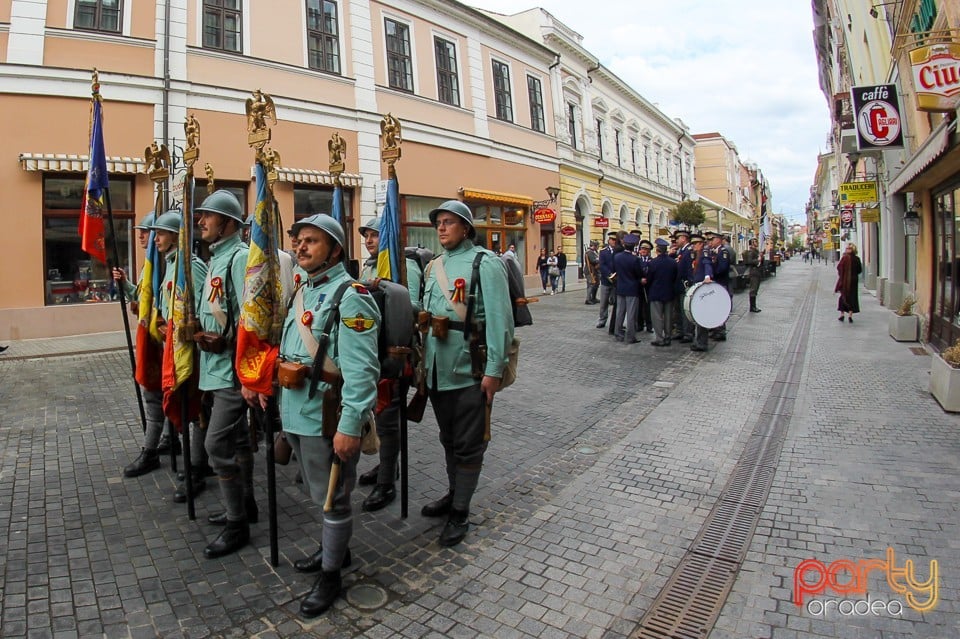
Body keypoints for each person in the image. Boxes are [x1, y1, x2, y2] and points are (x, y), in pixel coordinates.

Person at [243, 213, 379, 617]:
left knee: (333, 500)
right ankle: (334, 550)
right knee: (320, 495)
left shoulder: (350, 296)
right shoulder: (303, 286)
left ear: (334, 250)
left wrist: (350, 427)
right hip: (297, 410)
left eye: (312, 241)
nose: (300, 247)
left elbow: (362, 372)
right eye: (298, 240)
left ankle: (332, 575)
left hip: (328, 416)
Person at [420, 200, 513, 547]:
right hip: (436, 371)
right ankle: (453, 493)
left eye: (449, 222)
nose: (441, 228)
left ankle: (460, 511)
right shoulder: (434, 267)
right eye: (438, 223)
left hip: (469, 370)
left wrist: (494, 372)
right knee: (448, 439)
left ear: (466, 228)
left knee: (469, 445)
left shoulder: (485, 263)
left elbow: (501, 322)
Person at [193, 189, 255, 559]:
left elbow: (250, 318)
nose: (202, 221)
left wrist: (223, 341)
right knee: (238, 441)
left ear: (229, 224)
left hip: (233, 368)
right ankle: (246, 505)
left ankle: (237, 525)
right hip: (215, 367)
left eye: (209, 216)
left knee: (215, 444)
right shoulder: (216, 257)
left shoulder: (239, 257)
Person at [355, 216, 422, 512]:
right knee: (378, 413)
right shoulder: (368, 266)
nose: (369, 240)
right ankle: (386, 466)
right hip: (372, 349)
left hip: (396, 352)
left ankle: (387, 483)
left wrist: (388, 294)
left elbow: (413, 306)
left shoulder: (403, 266)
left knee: (388, 418)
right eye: (366, 236)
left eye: (374, 236)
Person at [647, 238, 678, 346]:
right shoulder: (673, 262)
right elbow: (675, 277)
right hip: (669, 292)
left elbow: (649, 278)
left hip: (656, 292)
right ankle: (668, 336)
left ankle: (659, 338)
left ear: (657, 250)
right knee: (668, 316)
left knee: (657, 317)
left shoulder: (653, 263)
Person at [613, 233, 643, 344]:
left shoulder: (617, 257)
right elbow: (639, 273)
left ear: (624, 244)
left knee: (620, 312)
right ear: (634, 245)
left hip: (621, 287)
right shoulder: (635, 259)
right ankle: (631, 336)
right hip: (632, 288)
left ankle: (618, 333)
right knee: (631, 314)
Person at [688, 233, 713, 352]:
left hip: (703, 287)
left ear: (700, 244)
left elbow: (708, 265)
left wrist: (707, 276)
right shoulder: (697, 254)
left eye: (695, 244)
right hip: (697, 286)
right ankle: (699, 341)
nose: (693, 246)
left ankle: (702, 343)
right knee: (698, 315)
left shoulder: (704, 253)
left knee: (702, 316)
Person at [706, 232, 731, 341]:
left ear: (719, 240)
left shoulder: (723, 252)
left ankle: (720, 331)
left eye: (713, 239)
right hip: (715, 283)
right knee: (714, 307)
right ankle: (715, 328)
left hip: (721, 283)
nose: (711, 241)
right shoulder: (714, 252)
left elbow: (722, 268)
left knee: (720, 307)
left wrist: (712, 274)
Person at [673, 230, 694, 343]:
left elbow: (689, 269)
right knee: (678, 310)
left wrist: (689, 282)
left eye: (678, 238)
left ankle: (688, 333)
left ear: (684, 238)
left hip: (684, 284)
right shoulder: (681, 251)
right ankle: (680, 330)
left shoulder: (688, 251)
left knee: (685, 310)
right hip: (678, 284)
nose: (676, 241)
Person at [836, 242, 862, 322]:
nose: (847, 249)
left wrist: (842, 275)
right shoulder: (857, 259)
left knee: (843, 296)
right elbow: (859, 270)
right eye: (847, 248)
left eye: (848, 248)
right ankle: (850, 315)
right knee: (852, 297)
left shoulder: (844, 258)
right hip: (853, 280)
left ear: (852, 250)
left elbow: (839, 268)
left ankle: (842, 314)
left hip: (845, 280)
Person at [597, 231, 619, 328]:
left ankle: (617, 322)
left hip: (617, 280)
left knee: (616, 302)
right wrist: (609, 274)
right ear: (609, 240)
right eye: (612, 240)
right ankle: (602, 320)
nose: (614, 242)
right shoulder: (603, 251)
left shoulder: (619, 251)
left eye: (615, 240)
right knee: (604, 302)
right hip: (606, 280)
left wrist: (616, 275)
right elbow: (602, 265)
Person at [636, 240, 654, 333]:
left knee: (648, 307)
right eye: (642, 249)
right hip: (639, 287)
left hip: (648, 287)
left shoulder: (652, 261)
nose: (643, 251)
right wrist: (640, 280)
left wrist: (647, 280)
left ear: (649, 251)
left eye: (645, 249)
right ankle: (639, 325)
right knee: (639, 307)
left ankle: (649, 325)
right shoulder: (636, 260)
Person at [743, 238, 763, 313]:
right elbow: (749, 261)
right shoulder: (751, 252)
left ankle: (754, 306)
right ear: (751, 243)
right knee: (753, 289)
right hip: (753, 272)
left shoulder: (756, 251)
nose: (757, 243)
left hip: (757, 272)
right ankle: (752, 307)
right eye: (755, 242)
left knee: (756, 288)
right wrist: (758, 260)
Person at [584, 240, 600, 304]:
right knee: (591, 285)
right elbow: (593, 261)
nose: (598, 247)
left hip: (595, 270)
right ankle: (588, 299)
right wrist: (599, 259)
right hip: (590, 270)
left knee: (596, 284)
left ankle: (593, 298)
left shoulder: (594, 252)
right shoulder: (589, 252)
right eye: (597, 246)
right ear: (595, 246)